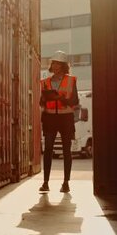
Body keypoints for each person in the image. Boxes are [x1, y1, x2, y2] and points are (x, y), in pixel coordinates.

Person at [39, 51, 79, 193]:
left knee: (66, 151)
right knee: (48, 149)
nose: (55, 66)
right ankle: (45, 183)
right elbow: (41, 102)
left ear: (63, 66)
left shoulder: (71, 80)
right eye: (53, 63)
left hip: (66, 119)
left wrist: (61, 99)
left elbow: (75, 101)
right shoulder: (45, 82)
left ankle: (66, 183)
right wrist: (46, 98)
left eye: (58, 64)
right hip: (50, 118)